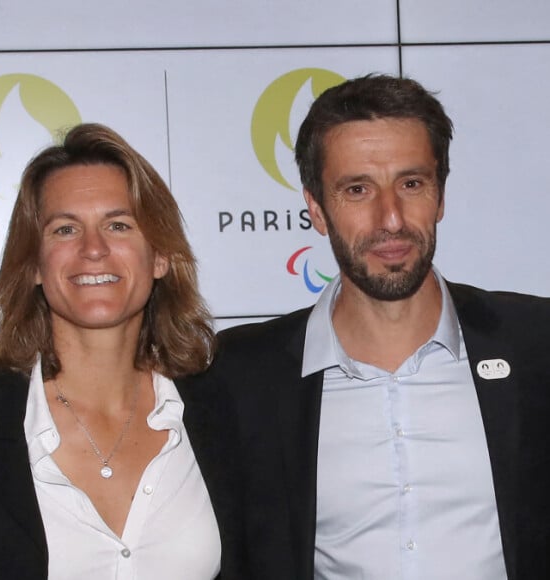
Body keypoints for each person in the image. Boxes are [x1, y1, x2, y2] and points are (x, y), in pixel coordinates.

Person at [177, 75, 550, 580]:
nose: (391, 218)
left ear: (439, 196)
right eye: (358, 190)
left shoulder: (536, 344)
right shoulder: (238, 377)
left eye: (411, 184)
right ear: (317, 209)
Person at [0, 123, 221, 579]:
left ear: (159, 256)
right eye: (65, 229)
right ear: (33, 266)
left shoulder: (225, 411)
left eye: (118, 225)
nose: (93, 249)